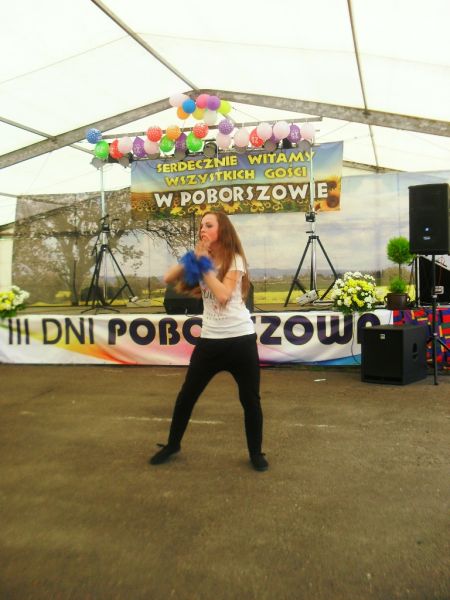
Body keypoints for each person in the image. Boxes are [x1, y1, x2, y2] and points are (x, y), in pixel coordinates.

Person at [149, 211, 268, 472]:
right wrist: (194, 257)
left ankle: (256, 453)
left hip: (240, 341)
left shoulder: (234, 259)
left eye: (209, 225)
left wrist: (203, 267)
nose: (203, 229)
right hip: (210, 341)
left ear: (222, 230)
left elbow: (223, 295)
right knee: (187, 396)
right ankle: (172, 445)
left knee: (250, 400)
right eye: (201, 225)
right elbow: (168, 278)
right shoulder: (200, 258)